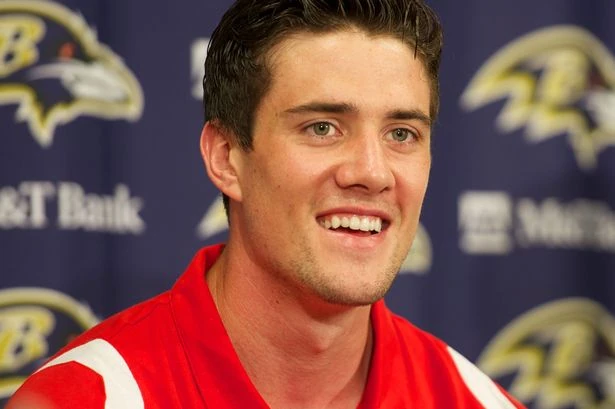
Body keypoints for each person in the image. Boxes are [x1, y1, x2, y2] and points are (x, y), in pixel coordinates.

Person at [7, 0, 527, 408]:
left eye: (402, 133)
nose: (372, 172)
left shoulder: (478, 402)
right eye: (322, 128)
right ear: (226, 157)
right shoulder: (88, 397)